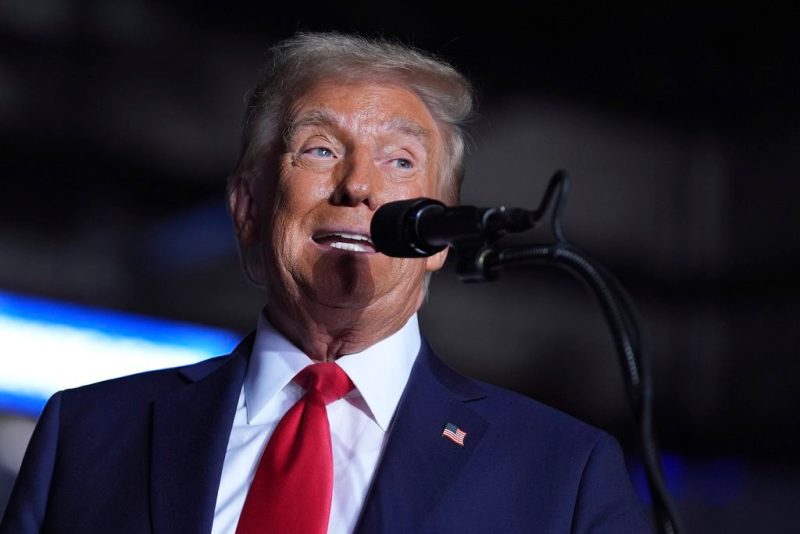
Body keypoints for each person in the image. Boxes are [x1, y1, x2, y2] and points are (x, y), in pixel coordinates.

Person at [0, 32, 651, 533]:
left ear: (438, 239)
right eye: (320, 149)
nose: (359, 185)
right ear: (250, 208)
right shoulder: (86, 434)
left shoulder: (564, 473)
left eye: (400, 160)